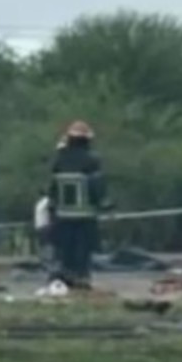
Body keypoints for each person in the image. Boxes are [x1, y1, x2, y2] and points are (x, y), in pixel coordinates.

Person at [47, 120, 111, 289]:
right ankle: (82, 275)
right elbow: (98, 187)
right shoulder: (92, 160)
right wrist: (103, 203)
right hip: (85, 213)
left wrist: (52, 208)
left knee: (65, 247)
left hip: (62, 214)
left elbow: (52, 189)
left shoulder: (59, 160)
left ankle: (66, 273)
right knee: (83, 247)